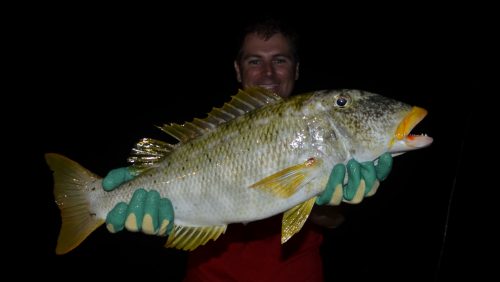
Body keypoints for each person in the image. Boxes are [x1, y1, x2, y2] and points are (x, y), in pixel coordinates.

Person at [103, 18, 393, 281]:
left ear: (296, 68)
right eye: (255, 61)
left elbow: (335, 220)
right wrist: (134, 196)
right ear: (237, 69)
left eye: (279, 60)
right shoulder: (203, 133)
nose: (268, 72)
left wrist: (322, 203)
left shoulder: (324, 129)